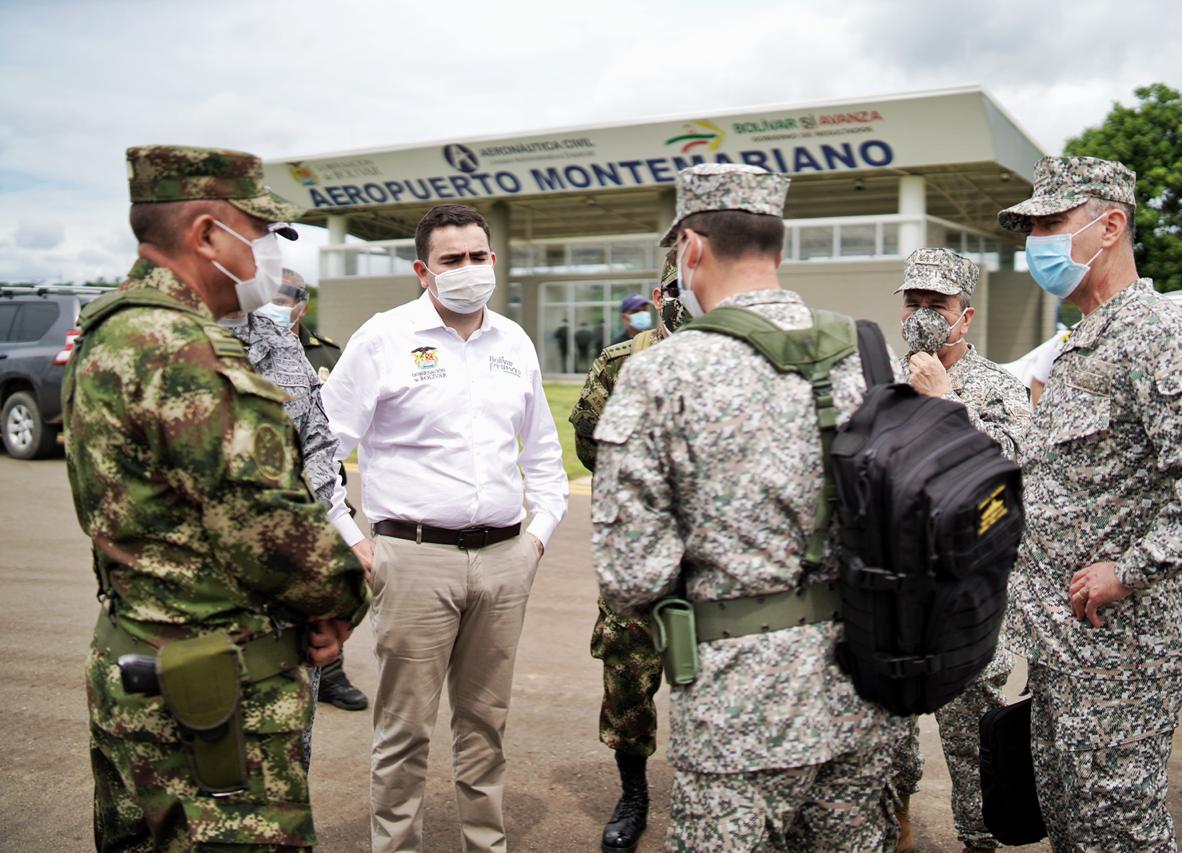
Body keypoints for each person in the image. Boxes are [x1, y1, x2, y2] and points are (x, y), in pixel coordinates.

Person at [593, 163, 908, 851]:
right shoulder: (866, 350)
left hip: (738, 712)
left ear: (691, 248)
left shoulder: (661, 372)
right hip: (864, 690)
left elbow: (629, 575)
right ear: (779, 249)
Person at [63, 144, 367, 851]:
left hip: (134, 660)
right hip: (211, 695)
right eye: (256, 234)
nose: (268, 254)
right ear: (205, 235)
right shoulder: (188, 352)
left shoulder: (110, 329)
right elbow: (271, 532)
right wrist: (346, 593)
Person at [998, 156, 1182, 851]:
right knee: (1070, 826)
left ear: (1109, 224)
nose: (1036, 243)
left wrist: (1131, 567)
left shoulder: (1154, 332)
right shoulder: (1082, 344)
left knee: (1119, 833)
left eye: (1051, 224)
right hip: (1062, 650)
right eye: (1030, 228)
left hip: (1120, 656)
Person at [320, 203, 568, 853]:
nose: (467, 269)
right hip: (411, 557)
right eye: (450, 259)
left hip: (505, 556)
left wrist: (536, 537)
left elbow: (543, 453)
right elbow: (318, 454)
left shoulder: (514, 342)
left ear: (494, 259)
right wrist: (357, 543)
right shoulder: (383, 337)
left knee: (486, 724)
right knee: (403, 730)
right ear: (422, 271)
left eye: (477, 256)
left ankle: (485, 843)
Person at [890, 248, 1030, 853]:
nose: (922, 315)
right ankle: (894, 831)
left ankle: (979, 840)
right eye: (913, 303)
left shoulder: (998, 388)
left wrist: (947, 400)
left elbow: (1013, 478)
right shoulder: (876, 380)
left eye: (937, 305)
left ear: (964, 317)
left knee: (973, 742)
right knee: (885, 742)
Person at [569, 252, 686, 853]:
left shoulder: (740, 361)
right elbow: (589, 441)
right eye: (674, 289)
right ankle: (633, 792)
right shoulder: (620, 365)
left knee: (714, 679)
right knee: (628, 678)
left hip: (710, 559)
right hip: (637, 556)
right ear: (658, 294)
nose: (686, 299)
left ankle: (707, 791)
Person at [268, 267, 370, 712]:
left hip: (325, 488)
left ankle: (331, 672)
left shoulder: (325, 353)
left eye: (284, 296)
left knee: (329, 578)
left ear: (302, 304)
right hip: (277, 491)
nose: (275, 303)